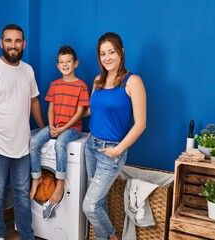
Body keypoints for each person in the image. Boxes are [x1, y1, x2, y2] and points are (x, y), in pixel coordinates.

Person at [0, 24, 45, 240]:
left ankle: (26, 234)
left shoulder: (28, 70)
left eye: (17, 41)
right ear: (1, 43)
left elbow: (34, 102)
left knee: (22, 193)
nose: (13, 45)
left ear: (24, 44)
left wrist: (44, 130)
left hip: (23, 145)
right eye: (9, 40)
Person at [82, 32, 146, 240]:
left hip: (111, 151)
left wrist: (117, 150)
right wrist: (66, 118)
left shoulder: (132, 81)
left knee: (90, 206)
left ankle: (112, 237)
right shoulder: (98, 80)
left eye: (111, 52)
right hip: (91, 145)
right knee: (99, 202)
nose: (107, 57)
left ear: (121, 52)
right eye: (102, 54)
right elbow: (93, 111)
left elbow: (140, 124)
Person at [29, 45, 90, 206]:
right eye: (62, 62)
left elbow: (79, 112)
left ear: (75, 63)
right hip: (55, 125)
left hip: (72, 128)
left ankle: (60, 182)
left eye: (68, 61)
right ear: (57, 65)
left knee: (61, 143)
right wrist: (51, 125)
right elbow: (50, 108)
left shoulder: (81, 86)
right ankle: (36, 177)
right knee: (34, 142)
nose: (65, 65)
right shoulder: (54, 85)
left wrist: (63, 128)